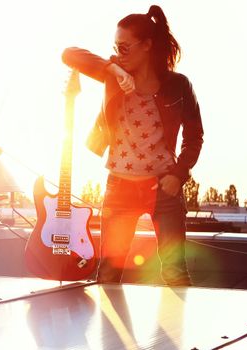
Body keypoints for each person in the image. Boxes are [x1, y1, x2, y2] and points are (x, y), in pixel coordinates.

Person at [62, 5, 204, 286]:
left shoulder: (178, 85)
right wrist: (112, 67)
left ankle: (179, 331)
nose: (118, 53)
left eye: (124, 48)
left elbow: (194, 136)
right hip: (120, 189)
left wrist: (179, 174)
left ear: (147, 46)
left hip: (163, 190)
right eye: (115, 47)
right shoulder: (112, 77)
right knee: (108, 273)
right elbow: (69, 54)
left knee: (175, 272)